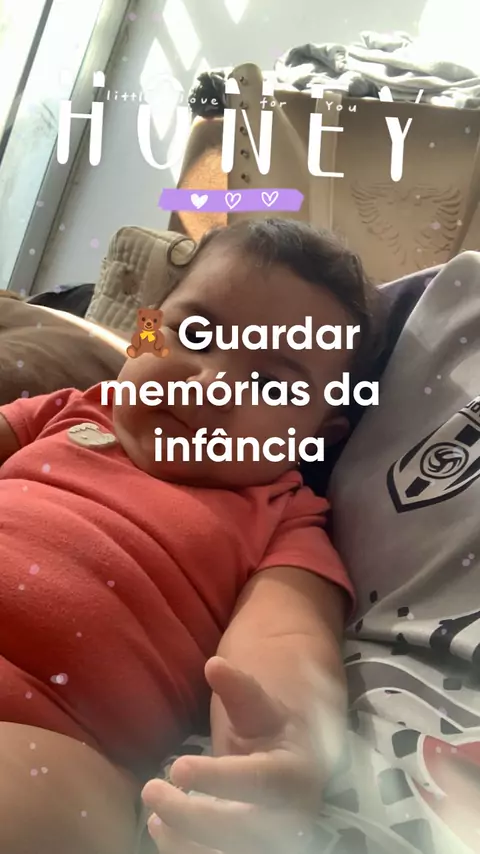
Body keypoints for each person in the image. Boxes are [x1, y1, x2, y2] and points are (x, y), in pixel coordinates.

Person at [0, 219, 379, 854]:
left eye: (272, 385)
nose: (210, 387)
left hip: (49, 732)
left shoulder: (284, 518)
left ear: (316, 436)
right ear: (143, 330)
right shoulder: (68, 408)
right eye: (197, 334)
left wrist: (283, 735)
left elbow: (283, 639)